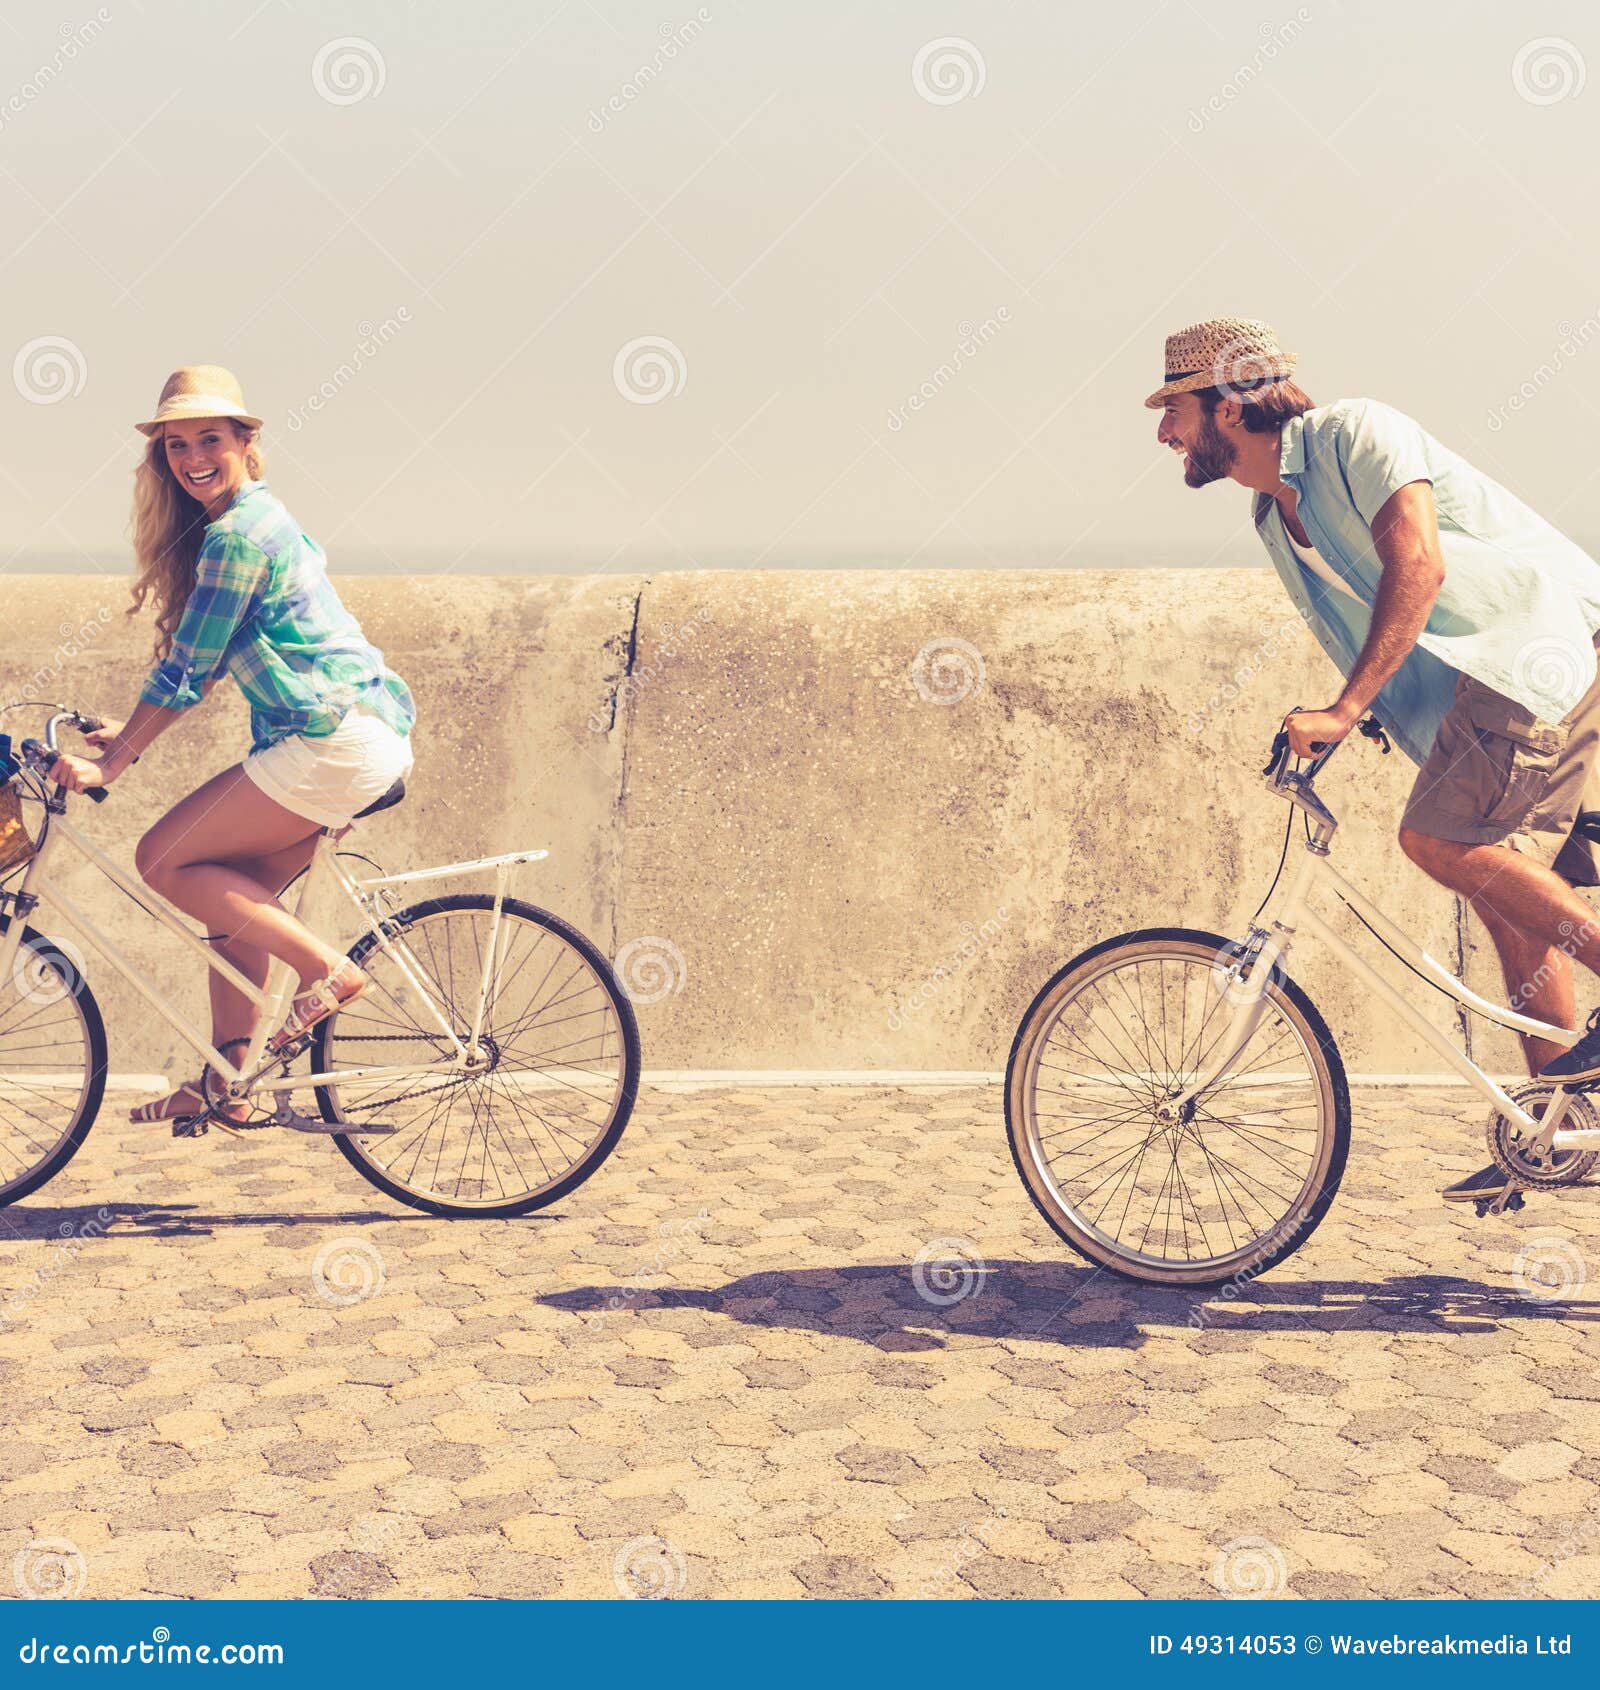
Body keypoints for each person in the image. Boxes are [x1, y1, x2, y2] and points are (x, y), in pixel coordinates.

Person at [1147, 318, 1600, 1202]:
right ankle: (1563, 1130)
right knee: (1506, 893)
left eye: (1175, 409)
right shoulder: (1272, 515)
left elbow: (1418, 569)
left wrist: (1343, 710)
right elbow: (1364, 628)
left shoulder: (1357, 433)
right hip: (1482, 691)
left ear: (1230, 405)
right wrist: (1361, 720)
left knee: (1435, 840)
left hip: (1535, 651)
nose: (1165, 433)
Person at [48, 365, 416, 1127]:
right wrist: (131, 731)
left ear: (248, 443)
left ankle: (328, 973)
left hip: (331, 740)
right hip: (356, 732)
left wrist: (112, 764)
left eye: (208, 438)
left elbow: (184, 671)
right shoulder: (259, 521)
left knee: (162, 858)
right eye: (176, 445)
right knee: (231, 896)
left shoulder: (238, 537)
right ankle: (227, 1083)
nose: (192, 458)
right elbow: (207, 663)